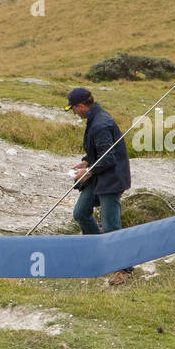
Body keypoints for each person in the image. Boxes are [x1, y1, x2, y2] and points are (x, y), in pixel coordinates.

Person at [65, 87, 134, 277]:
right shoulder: (94, 119)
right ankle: (98, 253)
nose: (73, 112)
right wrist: (86, 161)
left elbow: (108, 158)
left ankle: (124, 268)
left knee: (111, 225)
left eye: (73, 108)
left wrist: (87, 172)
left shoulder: (101, 124)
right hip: (98, 178)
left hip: (111, 180)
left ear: (81, 106)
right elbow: (99, 152)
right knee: (80, 213)